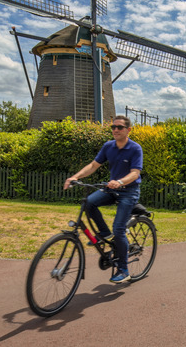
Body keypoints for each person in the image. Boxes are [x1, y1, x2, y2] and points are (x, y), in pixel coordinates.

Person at [63, 116, 142, 283]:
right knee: (89, 202)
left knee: (119, 229)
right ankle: (105, 233)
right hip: (111, 189)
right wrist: (74, 177)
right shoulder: (108, 146)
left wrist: (120, 182)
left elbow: (135, 173)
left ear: (128, 130)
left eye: (119, 127)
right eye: (113, 127)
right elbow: (93, 165)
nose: (115, 130)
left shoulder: (135, 148)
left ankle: (123, 269)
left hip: (129, 191)